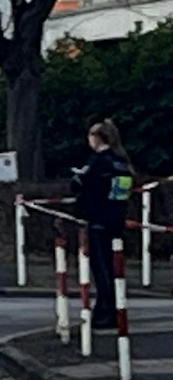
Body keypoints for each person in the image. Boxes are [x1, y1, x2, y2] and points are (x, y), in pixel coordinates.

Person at [73, 119, 136, 330]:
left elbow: (86, 190)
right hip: (115, 219)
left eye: (91, 136)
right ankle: (112, 309)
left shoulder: (98, 162)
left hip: (98, 220)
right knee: (113, 267)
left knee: (101, 268)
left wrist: (79, 181)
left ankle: (105, 312)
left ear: (98, 138)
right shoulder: (121, 162)